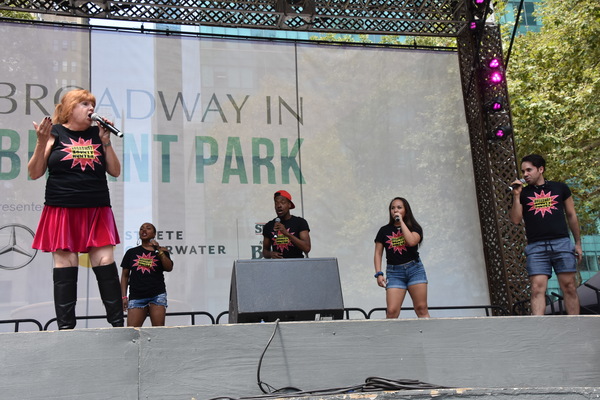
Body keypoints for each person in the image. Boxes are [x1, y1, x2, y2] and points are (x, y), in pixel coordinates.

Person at [29, 89, 124, 329]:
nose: (91, 109)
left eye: (92, 105)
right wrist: (41, 142)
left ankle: (117, 326)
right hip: (62, 208)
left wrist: (106, 142)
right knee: (66, 264)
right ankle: (66, 330)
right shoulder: (55, 133)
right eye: (84, 104)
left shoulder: (96, 133)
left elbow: (114, 171)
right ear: (70, 108)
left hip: (96, 208)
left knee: (105, 262)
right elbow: (35, 172)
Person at [509, 154, 582, 315]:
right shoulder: (522, 193)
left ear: (540, 169)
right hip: (536, 246)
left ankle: (575, 327)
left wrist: (577, 243)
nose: (525, 174)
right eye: (523, 171)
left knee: (569, 286)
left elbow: (571, 215)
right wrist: (516, 196)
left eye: (529, 170)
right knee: (536, 288)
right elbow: (515, 219)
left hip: (561, 243)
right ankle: (539, 331)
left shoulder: (560, 188)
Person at [373, 197, 430, 318]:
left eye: (399, 207)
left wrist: (401, 222)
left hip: (414, 270)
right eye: (392, 208)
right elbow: (378, 253)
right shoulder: (384, 230)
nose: (395, 210)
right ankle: (390, 336)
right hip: (394, 273)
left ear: (406, 210)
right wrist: (379, 273)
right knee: (392, 311)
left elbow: (411, 241)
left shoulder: (415, 227)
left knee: (421, 308)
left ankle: (429, 336)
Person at [120, 223, 174, 327]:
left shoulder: (161, 251)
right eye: (141, 229)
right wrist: (123, 297)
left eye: (148, 228)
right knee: (132, 332)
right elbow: (125, 276)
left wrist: (158, 250)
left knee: (158, 331)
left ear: (154, 234)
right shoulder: (131, 252)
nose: (144, 230)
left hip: (157, 295)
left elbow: (169, 268)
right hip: (137, 296)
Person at [262, 190, 311, 258]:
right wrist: (270, 254)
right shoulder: (269, 225)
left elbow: (307, 248)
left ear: (289, 205)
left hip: (297, 265)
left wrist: (287, 234)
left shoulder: (300, 222)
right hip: (277, 266)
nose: (279, 205)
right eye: (276, 203)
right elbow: (265, 251)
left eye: (282, 202)